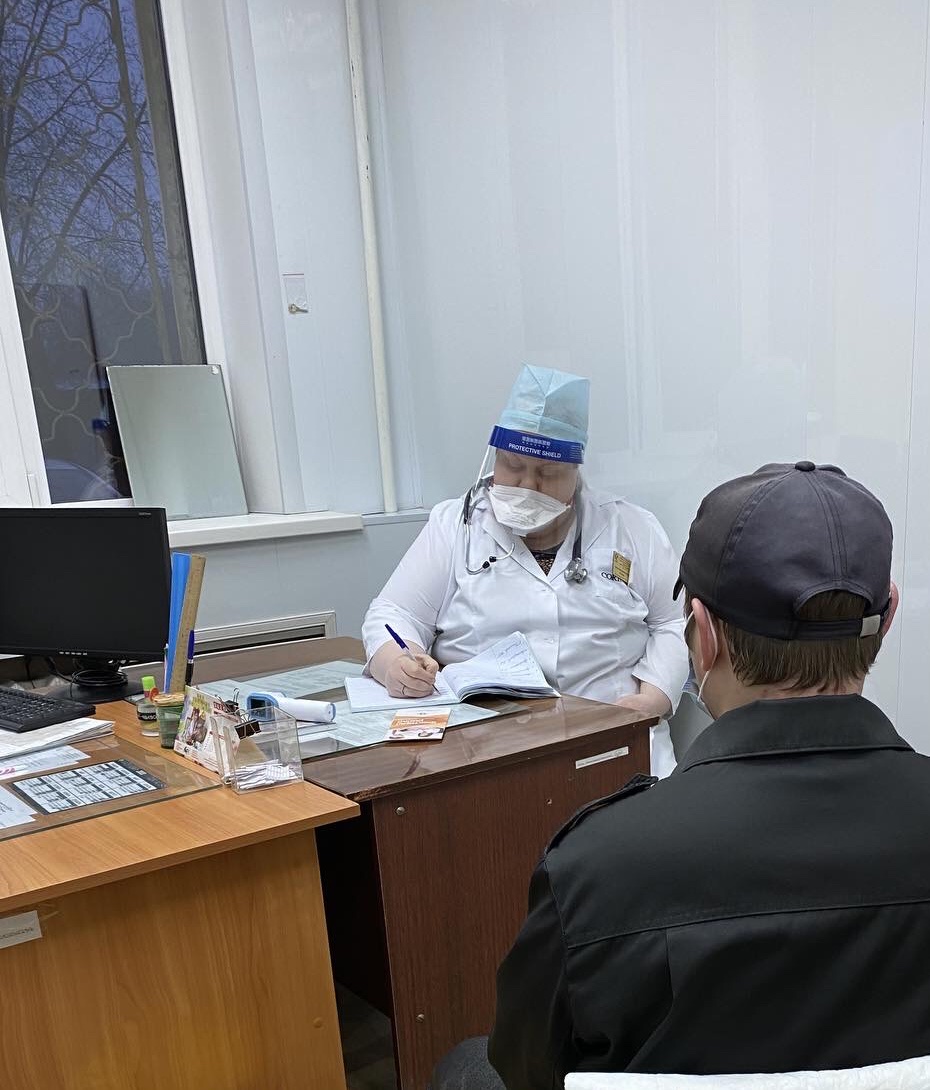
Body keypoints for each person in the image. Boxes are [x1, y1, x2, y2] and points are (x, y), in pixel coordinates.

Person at [431, 461, 930, 1089]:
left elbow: (526, 1065)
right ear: (889, 616)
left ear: (704, 636)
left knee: (466, 1065)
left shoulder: (596, 867)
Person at [362, 364, 689, 775]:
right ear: (495, 456)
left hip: (613, 741)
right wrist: (396, 660)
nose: (527, 486)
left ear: (576, 470)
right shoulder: (455, 525)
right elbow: (394, 613)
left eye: (548, 473)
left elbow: (673, 622)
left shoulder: (632, 527)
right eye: (513, 466)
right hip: (483, 751)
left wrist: (654, 698)